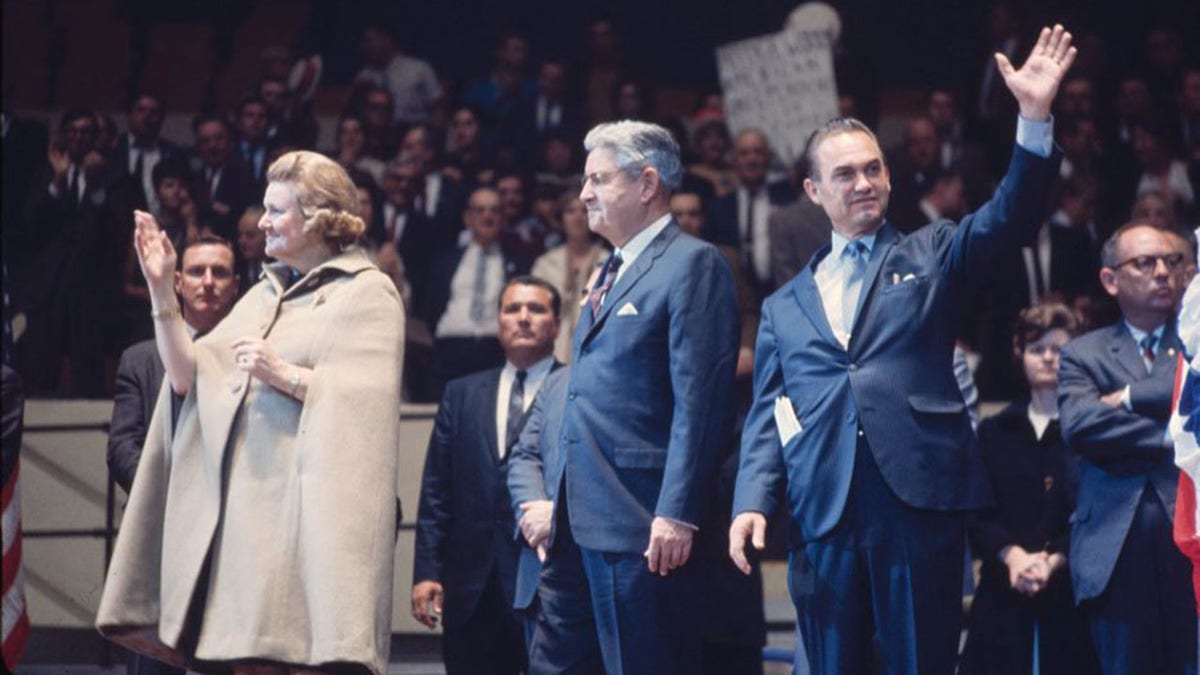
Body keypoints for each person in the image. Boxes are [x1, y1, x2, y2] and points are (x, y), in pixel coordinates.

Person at [729, 24, 1074, 675]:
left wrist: (1032, 118)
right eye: (844, 173)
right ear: (813, 192)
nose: (862, 182)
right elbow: (768, 413)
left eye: (872, 168)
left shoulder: (934, 250)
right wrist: (752, 498)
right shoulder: (783, 305)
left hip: (917, 505)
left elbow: (1009, 219)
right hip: (822, 512)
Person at [96, 150, 405, 674]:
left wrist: (281, 373)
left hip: (300, 536)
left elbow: (365, 405)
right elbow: (189, 377)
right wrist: (160, 286)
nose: (261, 223)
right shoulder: (263, 295)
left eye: (276, 211)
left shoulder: (368, 293)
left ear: (317, 217)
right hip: (241, 530)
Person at [527, 120, 739, 673]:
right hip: (576, 517)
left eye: (598, 179)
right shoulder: (608, 268)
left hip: (641, 522)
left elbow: (702, 402)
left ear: (646, 184)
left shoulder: (694, 263)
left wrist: (677, 512)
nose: (583, 194)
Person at [1058, 222, 1197, 674]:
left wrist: (1127, 399)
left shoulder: (1194, 343)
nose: (1163, 272)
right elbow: (1081, 423)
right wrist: (1176, 435)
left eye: (1171, 261)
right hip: (1114, 551)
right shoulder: (1082, 353)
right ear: (1110, 280)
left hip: (1191, 539)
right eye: (1145, 263)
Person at [412, 276, 561, 674]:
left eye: (537, 309)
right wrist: (427, 571)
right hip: (470, 585)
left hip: (548, 583)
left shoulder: (576, 388)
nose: (524, 318)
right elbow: (437, 492)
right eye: (512, 309)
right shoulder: (461, 394)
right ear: (498, 322)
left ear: (557, 324)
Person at [960, 302, 1100, 675]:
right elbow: (975, 511)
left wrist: (1054, 560)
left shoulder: (1091, 432)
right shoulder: (994, 431)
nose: (1049, 358)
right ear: (1019, 354)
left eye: (1060, 349)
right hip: (1004, 585)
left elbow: (1098, 512)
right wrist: (1013, 556)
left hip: (1072, 591)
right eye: (1037, 349)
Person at [530, 194, 607, 364]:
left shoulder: (607, 261)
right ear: (561, 218)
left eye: (584, 211)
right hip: (551, 347)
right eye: (570, 211)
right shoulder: (546, 262)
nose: (578, 217)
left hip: (594, 349)